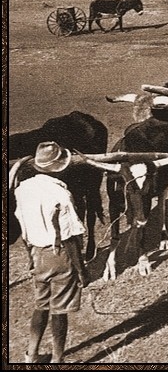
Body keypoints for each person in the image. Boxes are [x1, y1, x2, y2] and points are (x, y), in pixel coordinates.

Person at [14, 142, 90, 364]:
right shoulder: (60, 193)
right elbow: (69, 236)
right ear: (60, 167)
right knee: (59, 310)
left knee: (41, 304)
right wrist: (82, 270)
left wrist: (31, 257)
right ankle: (57, 359)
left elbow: (23, 227)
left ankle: (31, 354)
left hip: (36, 253)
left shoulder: (22, 189)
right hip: (60, 255)